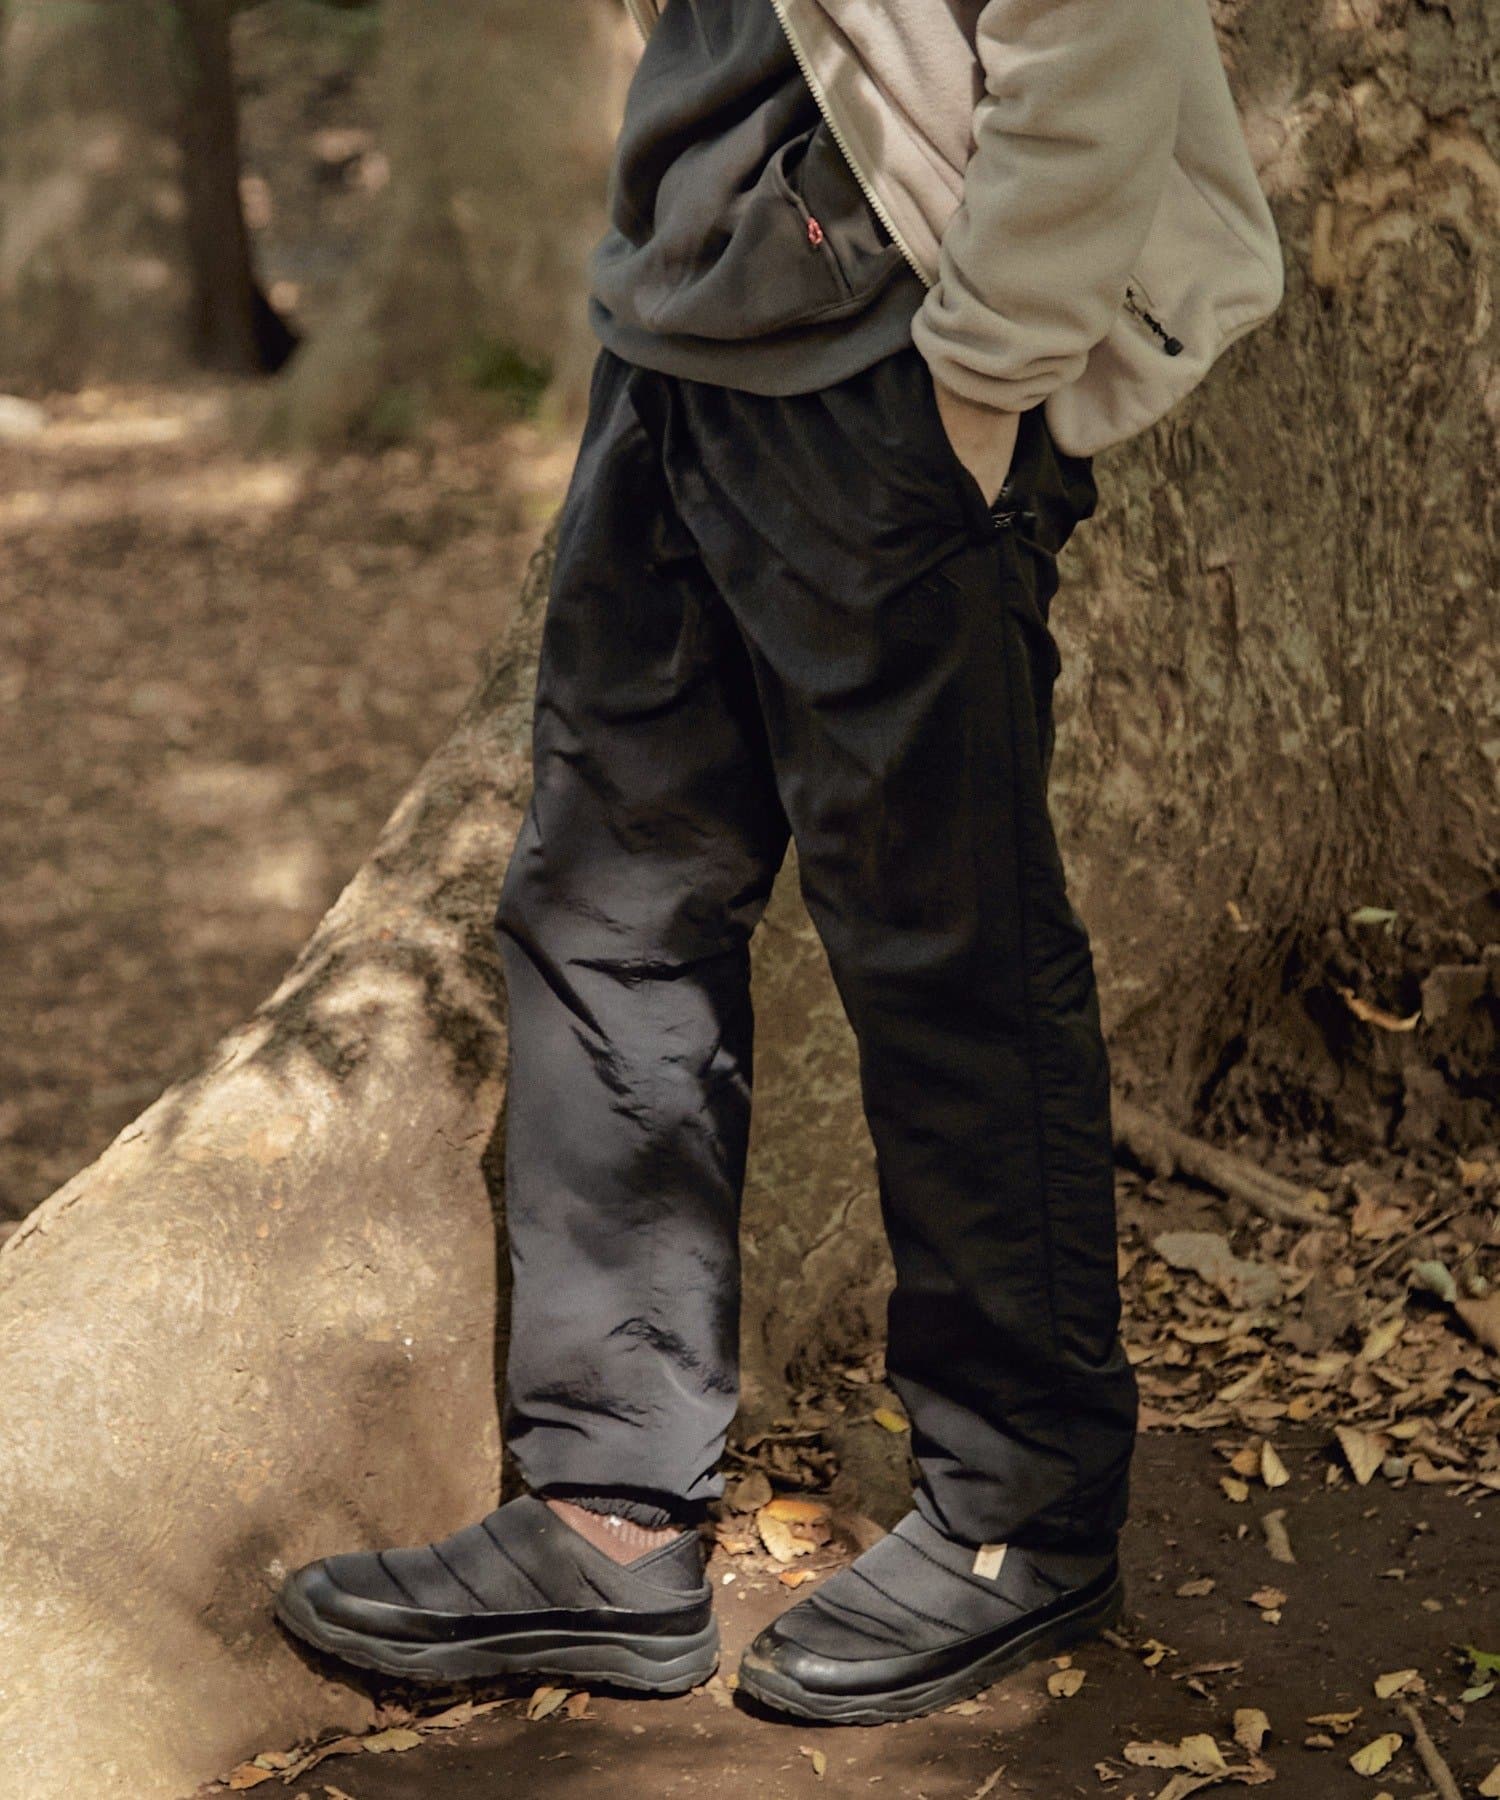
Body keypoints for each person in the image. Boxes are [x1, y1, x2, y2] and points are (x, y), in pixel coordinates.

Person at [275, 0, 1283, 1724]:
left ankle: (1023, 1506)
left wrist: (978, 380)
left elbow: (1092, 39)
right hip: (679, 346)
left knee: (943, 942)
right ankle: (607, 1516)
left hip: (885, 382)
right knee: (603, 919)